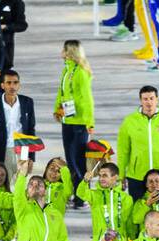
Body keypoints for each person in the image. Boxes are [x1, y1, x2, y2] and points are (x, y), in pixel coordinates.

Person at [117, 86, 159, 200]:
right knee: (138, 211)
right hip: (137, 175)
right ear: (141, 101)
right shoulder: (129, 121)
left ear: (157, 99)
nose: (149, 102)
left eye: (151, 98)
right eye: (145, 99)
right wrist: (121, 174)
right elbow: (123, 149)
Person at [53, 40, 93, 203]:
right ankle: (77, 191)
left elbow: (87, 99)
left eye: (63, 49)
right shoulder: (67, 69)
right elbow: (61, 93)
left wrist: (89, 122)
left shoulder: (81, 72)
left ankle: (82, 194)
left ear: (70, 52)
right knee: (70, 158)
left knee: (78, 159)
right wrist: (57, 109)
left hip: (79, 122)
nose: (61, 52)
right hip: (67, 121)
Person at [0, 68, 36, 172]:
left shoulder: (27, 102)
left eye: (15, 82)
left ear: (19, 84)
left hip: (22, 151)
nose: (12, 86)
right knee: (2, 185)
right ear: (2, 85)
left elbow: (31, 130)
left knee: (21, 184)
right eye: (8, 83)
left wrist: (31, 157)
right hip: (1, 152)